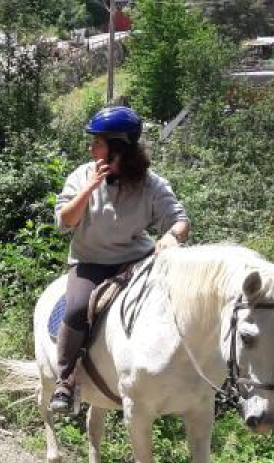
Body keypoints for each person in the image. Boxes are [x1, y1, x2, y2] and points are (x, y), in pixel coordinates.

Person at [50, 105, 191, 414]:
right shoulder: (81, 175)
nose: (91, 148)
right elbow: (65, 221)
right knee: (75, 310)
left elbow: (179, 220)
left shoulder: (152, 184)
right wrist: (89, 188)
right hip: (91, 262)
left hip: (138, 263)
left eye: (97, 142)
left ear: (118, 149)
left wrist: (171, 236)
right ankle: (65, 379)